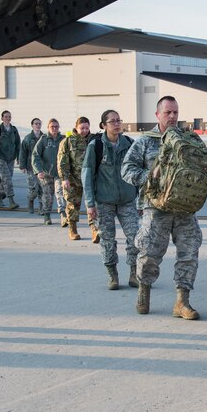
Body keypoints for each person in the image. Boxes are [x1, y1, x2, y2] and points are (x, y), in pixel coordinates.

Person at [121, 96, 204, 319]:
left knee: (189, 251)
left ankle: (182, 301)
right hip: (156, 206)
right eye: (168, 113)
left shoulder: (189, 140)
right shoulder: (145, 142)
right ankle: (143, 289)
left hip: (185, 207)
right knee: (149, 252)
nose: (173, 117)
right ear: (158, 115)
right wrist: (150, 177)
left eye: (176, 112)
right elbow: (127, 169)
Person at [83, 110, 140, 290]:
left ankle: (134, 273)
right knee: (107, 239)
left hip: (127, 200)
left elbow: (139, 171)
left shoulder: (130, 144)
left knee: (135, 238)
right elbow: (87, 175)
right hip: (104, 201)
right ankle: (112, 275)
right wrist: (90, 204)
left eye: (119, 121)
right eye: (112, 121)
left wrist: (141, 199)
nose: (117, 124)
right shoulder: (96, 146)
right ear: (103, 125)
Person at [58, 116, 91, 240]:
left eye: (87, 128)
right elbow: (62, 161)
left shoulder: (92, 141)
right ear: (76, 128)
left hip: (89, 179)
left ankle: (94, 229)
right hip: (73, 179)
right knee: (72, 205)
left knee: (91, 205)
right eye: (82, 128)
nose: (84, 130)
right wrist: (64, 178)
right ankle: (73, 229)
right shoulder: (68, 141)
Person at [31, 118, 63, 225]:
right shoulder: (44, 139)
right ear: (48, 128)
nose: (54, 128)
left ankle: (63, 215)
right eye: (52, 126)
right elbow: (35, 155)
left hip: (59, 172)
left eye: (56, 126)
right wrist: (38, 170)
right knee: (47, 195)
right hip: (46, 173)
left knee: (60, 193)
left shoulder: (63, 139)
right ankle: (47, 215)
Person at [0, 110, 21, 209]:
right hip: (0, 158)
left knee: (5, 179)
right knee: (8, 179)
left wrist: (19, 157)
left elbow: (18, 144)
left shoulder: (14, 130)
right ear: (2, 118)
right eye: (6, 117)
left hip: (10, 158)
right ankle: (11, 200)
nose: (8, 118)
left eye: (9, 117)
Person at [19, 117, 44, 213]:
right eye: (36, 123)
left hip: (42, 168)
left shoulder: (44, 137)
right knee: (33, 188)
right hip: (31, 167)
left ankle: (42, 207)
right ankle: (30, 202)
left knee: (42, 188)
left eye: (39, 123)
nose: (38, 125)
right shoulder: (28, 138)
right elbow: (23, 153)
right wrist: (22, 166)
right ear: (32, 125)